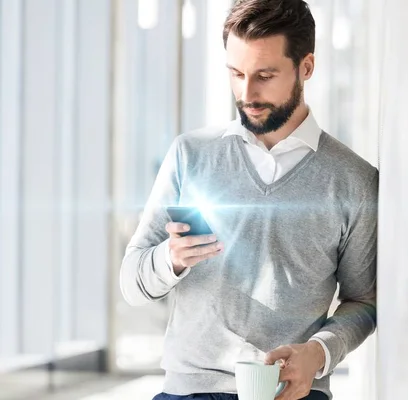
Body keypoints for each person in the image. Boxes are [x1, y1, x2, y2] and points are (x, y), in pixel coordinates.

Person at [120, 0, 378, 399]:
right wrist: (170, 258)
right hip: (189, 391)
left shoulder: (354, 180)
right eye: (236, 74)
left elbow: (363, 300)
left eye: (265, 75)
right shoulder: (191, 154)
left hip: (291, 393)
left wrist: (319, 353)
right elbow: (132, 282)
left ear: (305, 68)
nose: (247, 93)